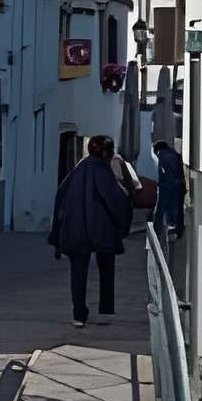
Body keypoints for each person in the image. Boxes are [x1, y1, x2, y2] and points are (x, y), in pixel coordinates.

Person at [50, 134, 135, 326]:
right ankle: (105, 310)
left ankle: (78, 314)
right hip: (101, 230)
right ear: (106, 152)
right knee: (106, 267)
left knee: (78, 273)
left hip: (75, 230)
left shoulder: (76, 171)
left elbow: (60, 201)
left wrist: (57, 233)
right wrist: (122, 224)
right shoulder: (102, 170)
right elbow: (115, 200)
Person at [153, 138, 186, 238]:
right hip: (180, 185)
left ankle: (157, 232)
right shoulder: (176, 154)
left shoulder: (162, 155)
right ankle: (177, 229)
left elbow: (161, 173)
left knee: (161, 209)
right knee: (178, 208)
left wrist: (160, 182)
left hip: (168, 185)